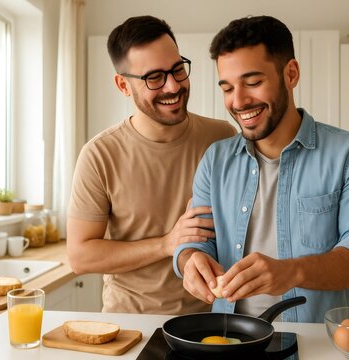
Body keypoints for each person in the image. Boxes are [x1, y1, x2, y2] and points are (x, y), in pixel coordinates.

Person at [173, 15, 349, 323]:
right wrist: (190, 260)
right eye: (227, 88)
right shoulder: (215, 160)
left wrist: (290, 271)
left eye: (253, 82)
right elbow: (196, 241)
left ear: (290, 74)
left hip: (316, 341)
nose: (238, 101)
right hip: (229, 336)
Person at [66, 15, 236, 315]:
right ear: (122, 85)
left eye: (178, 70)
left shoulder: (221, 137)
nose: (173, 86)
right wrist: (165, 244)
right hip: (130, 325)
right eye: (154, 77)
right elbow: (81, 256)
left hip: (209, 320)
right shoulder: (100, 155)